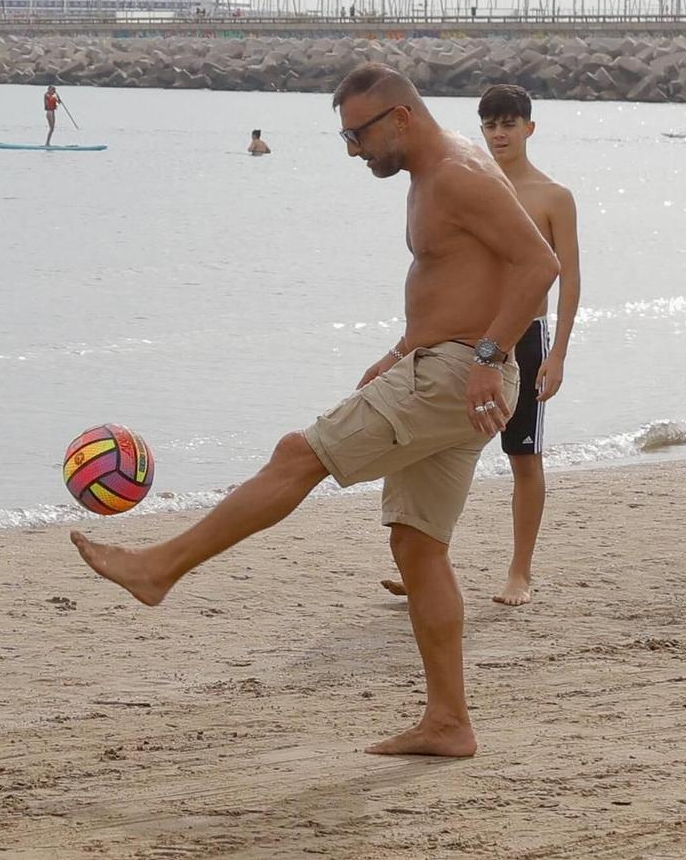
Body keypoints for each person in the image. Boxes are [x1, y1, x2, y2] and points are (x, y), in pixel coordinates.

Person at [71, 63, 558, 757]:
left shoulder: (455, 172)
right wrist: (399, 351)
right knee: (419, 546)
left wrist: (485, 358)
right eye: (344, 137)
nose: (353, 149)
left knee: (299, 454)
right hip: (446, 367)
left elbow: (539, 264)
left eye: (358, 134)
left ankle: (160, 569)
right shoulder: (437, 173)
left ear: (400, 118)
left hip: (458, 373)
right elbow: (461, 277)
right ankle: (450, 721)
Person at [384, 84, 579, 607]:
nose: (499, 134)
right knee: (440, 449)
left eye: (509, 124)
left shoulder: (552, 196)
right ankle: (426, 563)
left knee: (522, 456)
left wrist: (558, 353)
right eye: (491, 124)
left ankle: (520, 572)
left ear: (529, 129)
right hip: (464, 337)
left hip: (527, 339)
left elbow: (567, 279)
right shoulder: (469, 182)